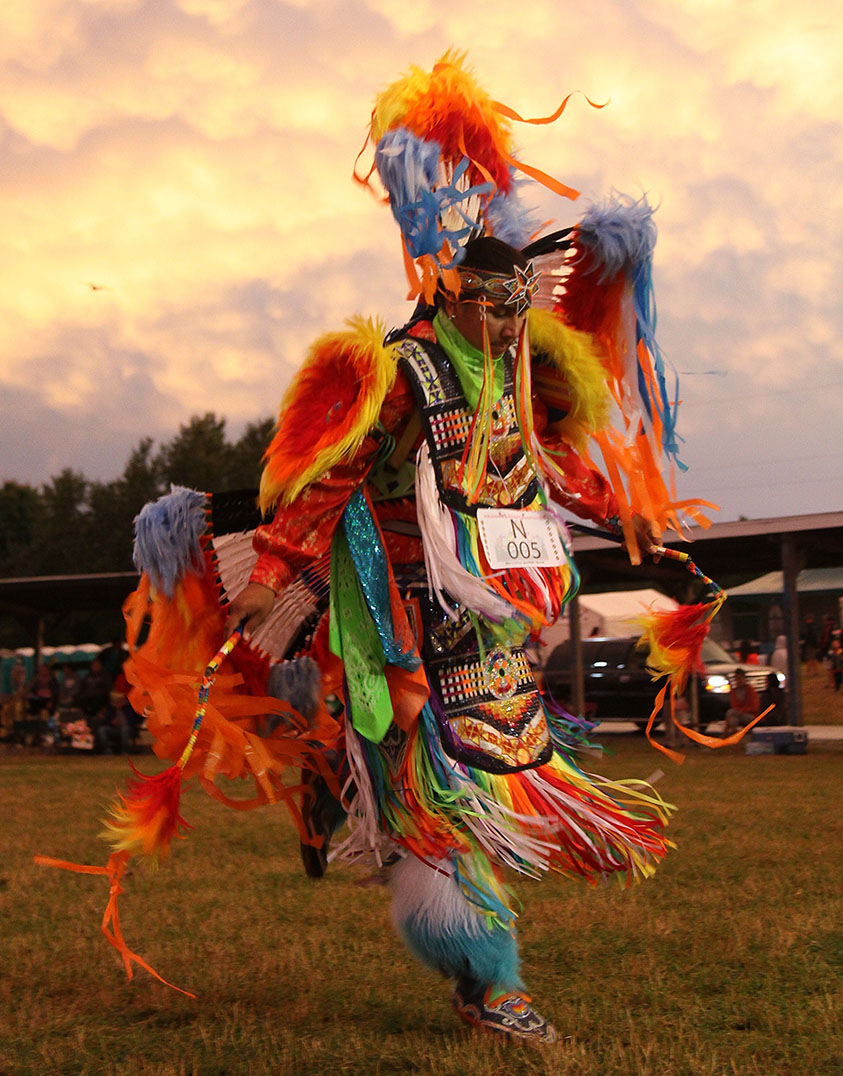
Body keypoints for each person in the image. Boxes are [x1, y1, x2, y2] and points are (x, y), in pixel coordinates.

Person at [102, 54, 718, 1044]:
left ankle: (450, 931)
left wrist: (634, 521)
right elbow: (328, 480)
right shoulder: (405, 374)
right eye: (496, 299)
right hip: (397, 632)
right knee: (433, 800)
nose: (513, 314)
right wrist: (272, 575)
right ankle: (492, 976)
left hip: (497, 642)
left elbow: (551, 473)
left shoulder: (526, 383)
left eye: (521, 299)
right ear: (458, 293)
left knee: (489, 785)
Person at [724, 668, 761, 735]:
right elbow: (734, 705)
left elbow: (754, 707)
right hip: (737, 714)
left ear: (744, 678)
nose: (739, 681)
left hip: (750, 716)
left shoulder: (750, 691)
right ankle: (734, 735)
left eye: (740, 678)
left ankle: (726, 733)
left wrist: (742, 710)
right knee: (733, 719)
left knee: (730, 712)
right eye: (737, 679)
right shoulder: (734, 692)